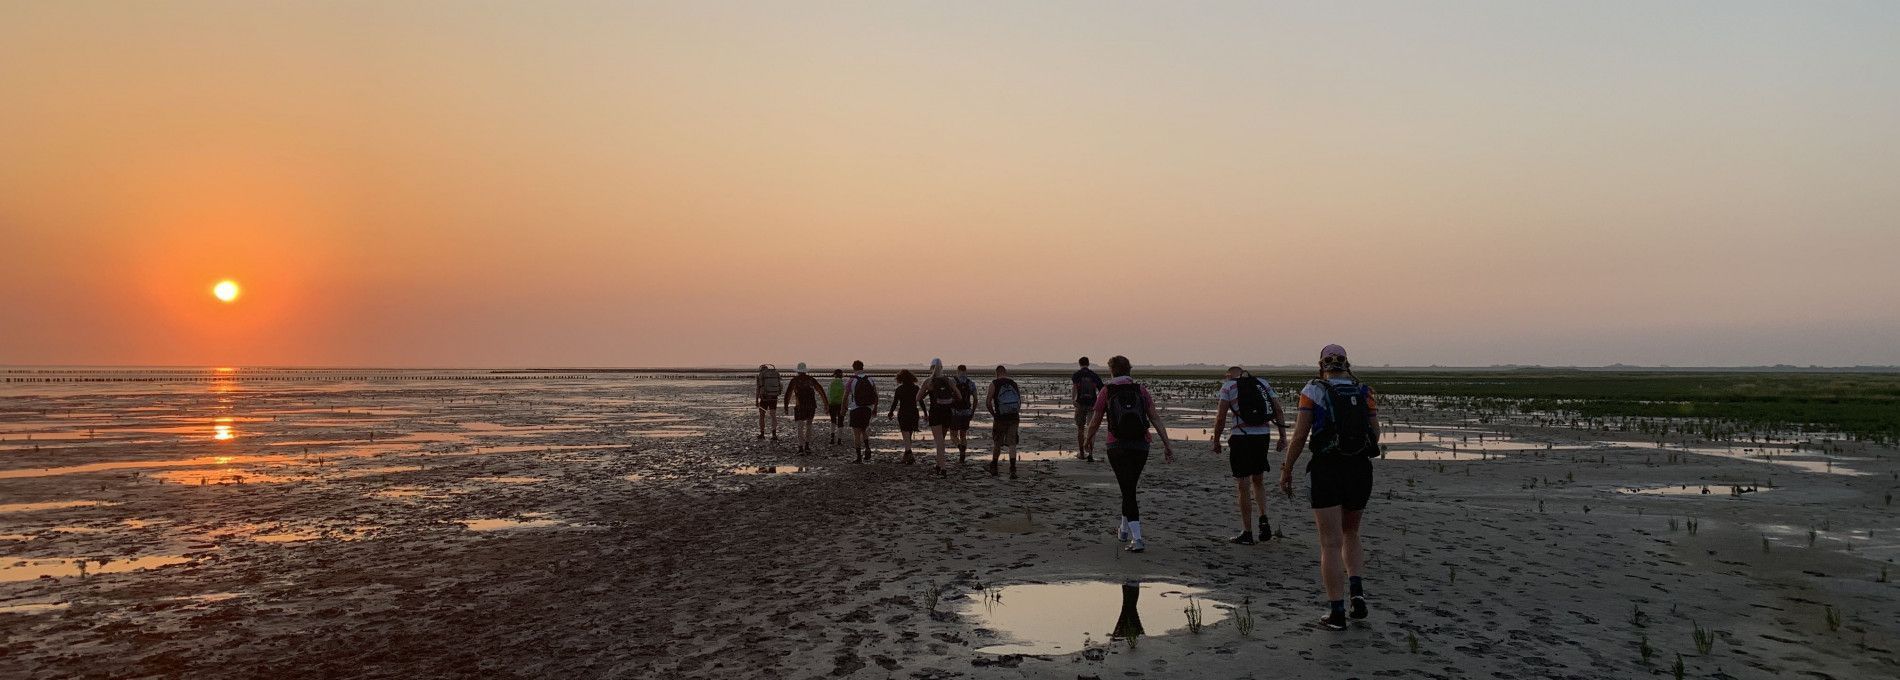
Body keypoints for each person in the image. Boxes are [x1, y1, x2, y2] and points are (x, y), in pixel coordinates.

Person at [1279, 344, 1380, 631]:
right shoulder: (1364, 391)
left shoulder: (1312, 390)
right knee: (1351, 533)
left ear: (1322, 364)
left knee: (1330, 543)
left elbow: (1300, 435)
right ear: (1347, 363)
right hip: (1360, 469)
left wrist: (1287, 470)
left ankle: (1337, 612)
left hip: (1327, 467)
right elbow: (1375, 432)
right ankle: (1357, 592)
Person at [1082, 355, 1175, 552]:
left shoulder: (1107, 391)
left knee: (1128, 489)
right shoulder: (1141, 390)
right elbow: (1155, 418)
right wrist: (1166, 444)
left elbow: (1096, 419)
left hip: (1116, 446)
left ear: (1111, 371)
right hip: (1141, 445)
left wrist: (1088, 439)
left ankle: (1138, 539)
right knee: (1129, 487)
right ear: (1129, 369)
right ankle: (1124, 530)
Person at [1212, 366, 1289, 544]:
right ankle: (1263, 518)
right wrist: (1283, 436)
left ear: (1229, 375)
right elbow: (1278, 409)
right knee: (1258, 480)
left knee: (1243, 485)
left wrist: (1216, 440)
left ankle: (1247, 532)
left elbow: (1221, 417)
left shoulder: (1228, 387)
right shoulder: (1262, 383)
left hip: (1241, 438)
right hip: (1262, 436)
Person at [919, 359, 962, 476]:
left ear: (931, 368)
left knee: (939, 441)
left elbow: (918, 398)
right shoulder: (949, 381)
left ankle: (943, 467)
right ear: (942, 368)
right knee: (941, 440)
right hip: (947, 412)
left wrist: (927, 393)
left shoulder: (928, 381)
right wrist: (951, 400)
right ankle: (938, 464)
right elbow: (959, 396)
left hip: (935, 413)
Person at [986, 365, 1023, 478]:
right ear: (1006, 372)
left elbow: (988, 402)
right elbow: (1019, 402)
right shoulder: (1013, 383)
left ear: (996, 373)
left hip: (1000, 418)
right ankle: (1012, 469)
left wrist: (994, 414)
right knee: (1012, 443)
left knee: (997, 442)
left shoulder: (994, 383)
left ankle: (994, 466)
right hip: (1014, 417)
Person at [781, 363, 827, 454]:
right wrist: (826, 404)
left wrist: (786, 407)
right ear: (805, 371)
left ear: (798, 371)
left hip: (800, 406)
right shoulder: (811, 379)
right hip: (811, 406)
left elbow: (788, 394)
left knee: (800, 427)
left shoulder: (794, 380)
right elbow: (820, 390)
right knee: (809, 426)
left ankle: (800, 447)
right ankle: (807, 446)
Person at [887, 369, 923, 465]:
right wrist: (925, 413)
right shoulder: (916, 388)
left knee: (905, 433)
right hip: (914, 413)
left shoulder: (899, 389)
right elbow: (921, 401)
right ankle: (907, 456)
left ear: (900, 378)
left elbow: (895, 402)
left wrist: (890, 412)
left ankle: (908, 453)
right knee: (909, 434)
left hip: (903, 413)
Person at [844, 361, 878, 462]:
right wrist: (875, 408)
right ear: (862, 367)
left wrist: (843, 409)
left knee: (856, 433)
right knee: (864, 429)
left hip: (855, 408)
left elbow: (845, 396)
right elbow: (876, 395)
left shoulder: (851, 380)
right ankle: (867, 447)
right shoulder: (870, 379)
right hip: (867, 408)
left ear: (853, 368)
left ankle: (858, 457)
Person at [1072, 357, 1104, 461]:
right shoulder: (1094, 375)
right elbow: (1102, 390)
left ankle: (1081, 453)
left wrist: (1073, 400)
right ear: (1088, 364)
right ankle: (1090, 454)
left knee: (1080, 429)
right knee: (1091, 429)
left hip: (1080, 404)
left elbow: (1074, 388)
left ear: (1079, 363)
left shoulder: (1076, 375)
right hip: (1092, 404)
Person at [950, 364, 978, 460]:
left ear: (957, 371)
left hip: (955, 412)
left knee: (953, 435)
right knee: (963, 434)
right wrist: (972, 411)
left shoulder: (953, 382)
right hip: (966, 412)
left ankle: (959, 447)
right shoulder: (970, 383)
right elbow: (976, 399)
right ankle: (963, 453)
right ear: (966, 371)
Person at [755, 364, 782, 441]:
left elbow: (758, 389)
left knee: (762, 416)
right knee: (773, 415)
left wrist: (757, 401)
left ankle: (762, 434)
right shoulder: (775, 373)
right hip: (774, 397)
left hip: (764, 398)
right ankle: (774, 434)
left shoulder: (761, 376)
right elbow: (780, 385)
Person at [825, 369, 847, 447]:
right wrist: (846, 406)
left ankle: (832, 438)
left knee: (833, 421)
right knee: (841, 422)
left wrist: (827, 405)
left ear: (834, 375)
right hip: (840, 404)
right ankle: (839, 440)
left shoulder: (831, 383)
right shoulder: (843, 384)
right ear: (841, 375)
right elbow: (845, 395)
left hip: (832, 404)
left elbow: (828, 394)